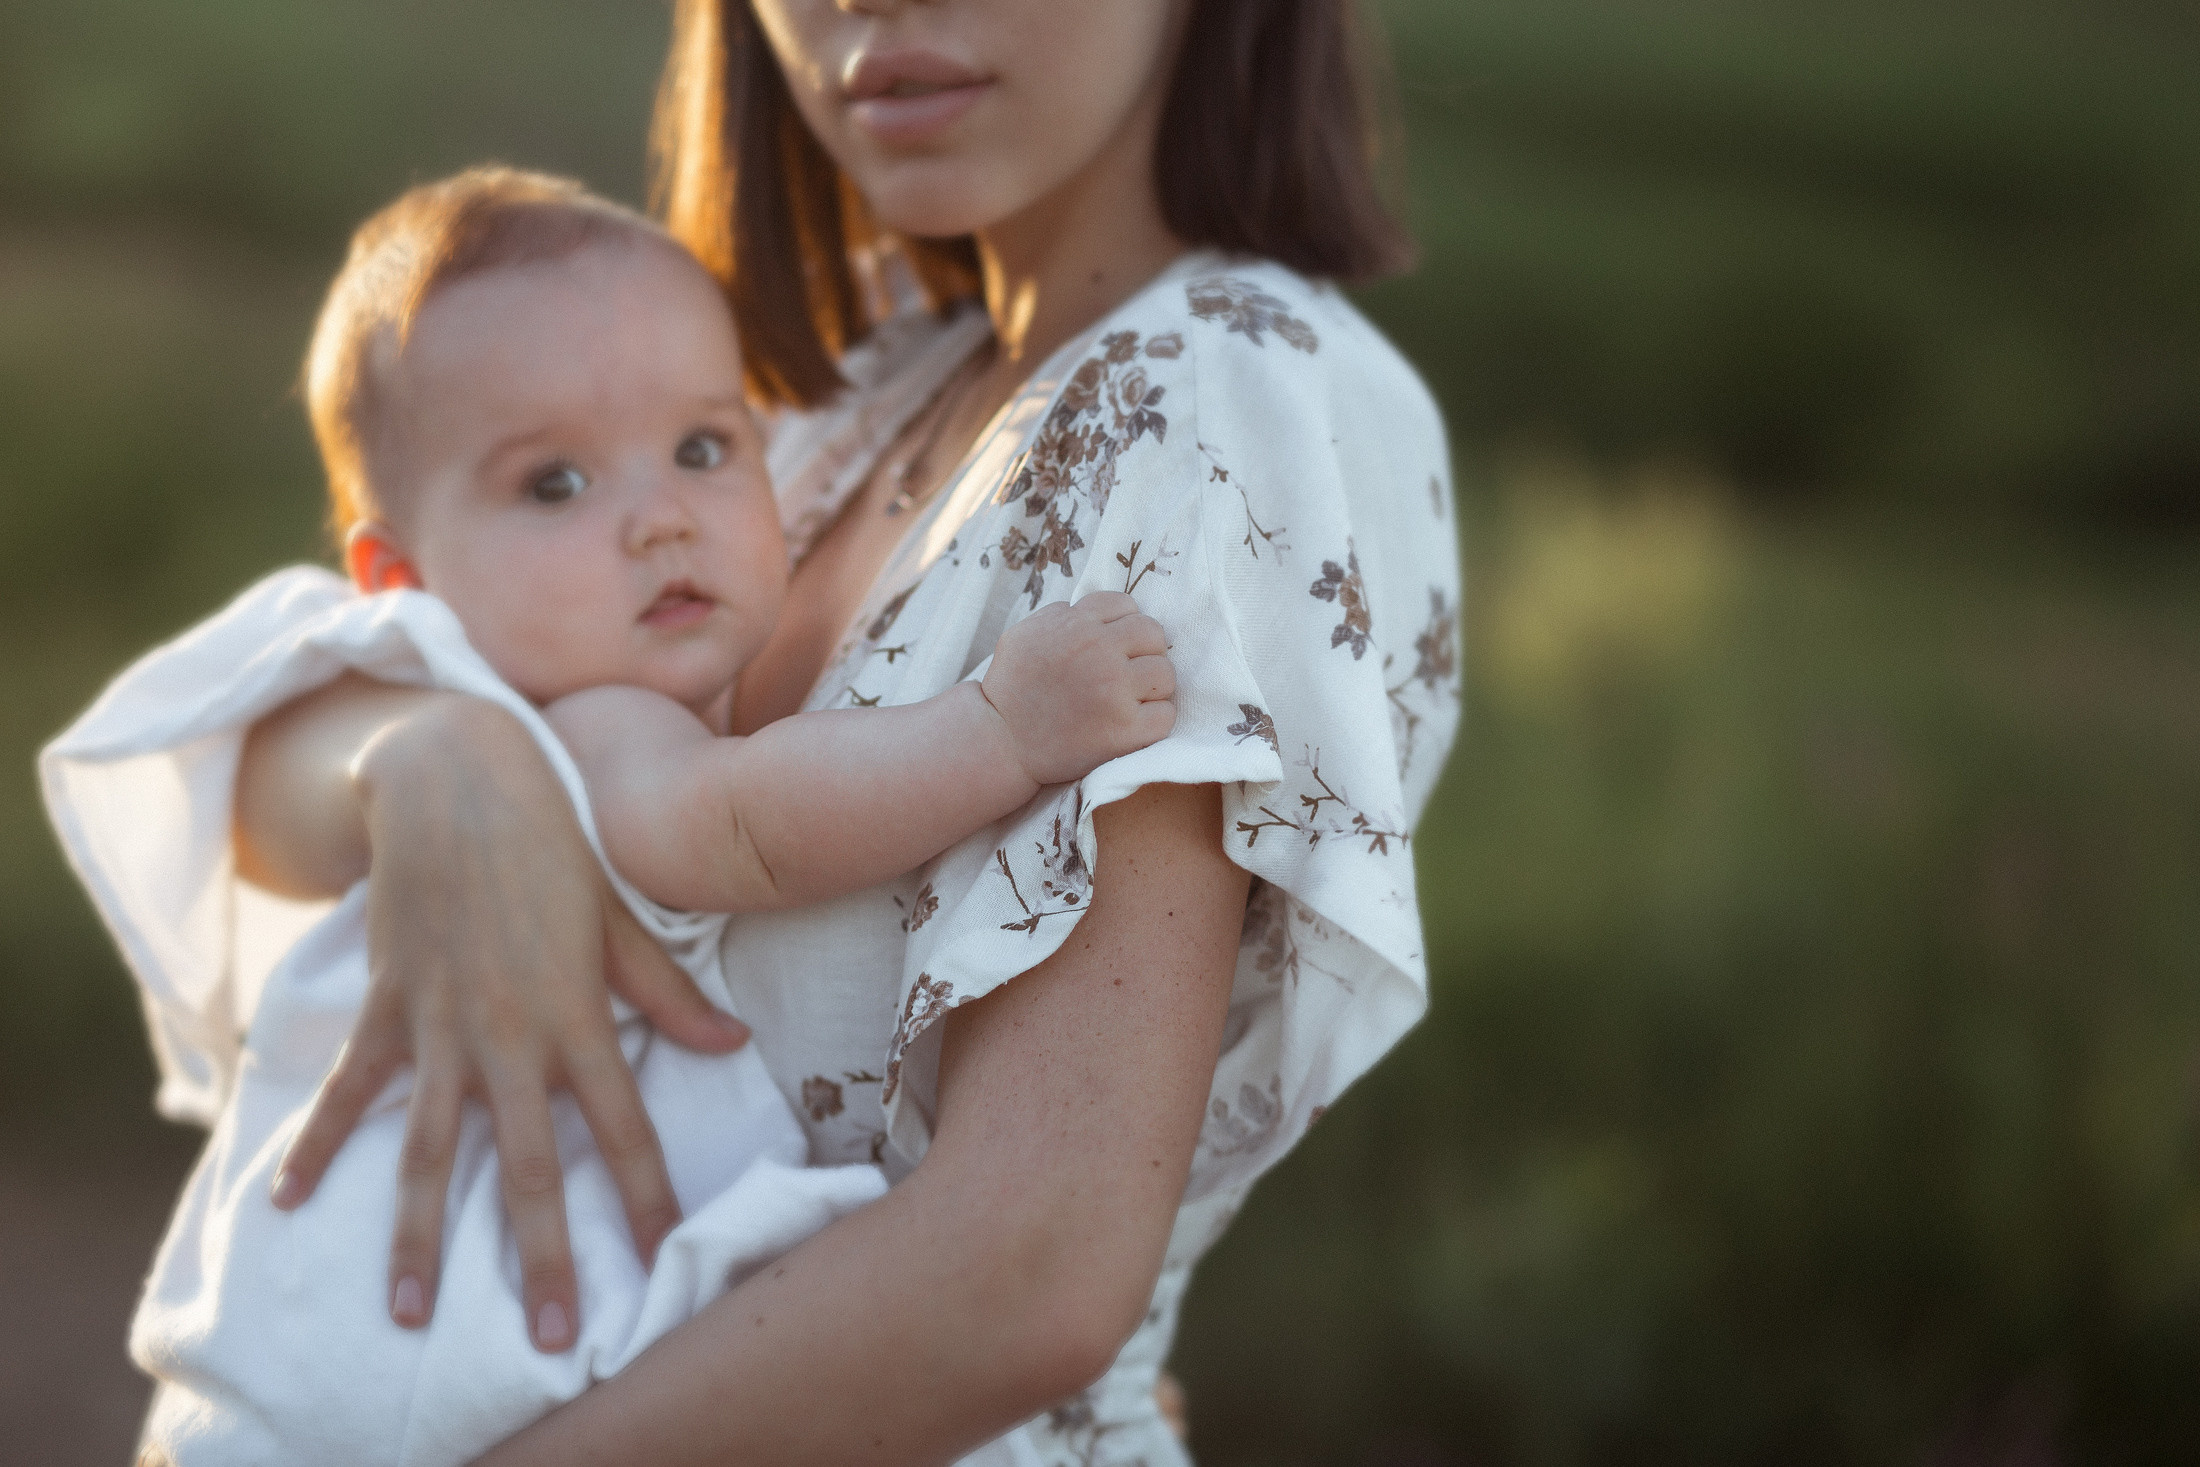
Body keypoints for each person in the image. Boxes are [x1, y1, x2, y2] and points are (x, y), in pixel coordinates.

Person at [246, 0, 1460, 1461]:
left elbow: (1027, 1279)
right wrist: (437, 763)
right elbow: (253, 788)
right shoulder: (857, 382)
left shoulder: (1217, 396)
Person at [40, 166, 1175, 1467]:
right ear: (400, 577)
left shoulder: (440, 701)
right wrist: (999, 730)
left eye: (703, 449)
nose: (660, 521)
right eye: (554, 486)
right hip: (441, 1346)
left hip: (310, 1348)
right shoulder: (579, 726)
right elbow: (740, 825)